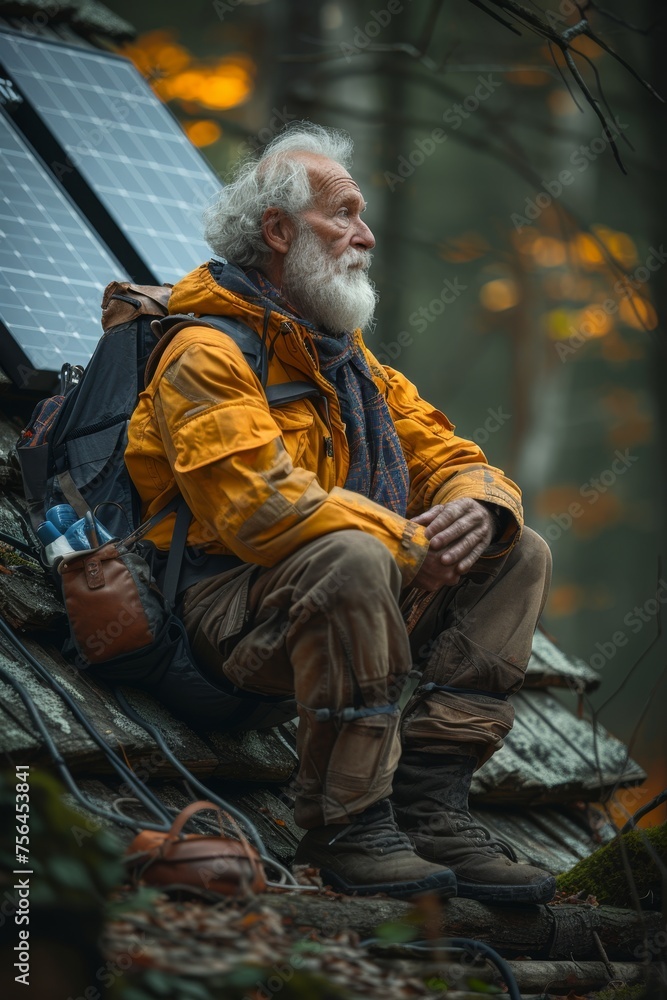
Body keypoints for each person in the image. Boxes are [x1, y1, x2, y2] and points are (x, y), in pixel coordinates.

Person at [125, 122, 554, 904]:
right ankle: (347, 824)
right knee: (356, 552)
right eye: (344, 214)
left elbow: (448, 455)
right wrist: (405, 539)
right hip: (225, 616)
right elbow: (259, 509)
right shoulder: (204, 353)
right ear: (278, 231)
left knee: (518, 549)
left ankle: (429, 809)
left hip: (345, 597)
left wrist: (479, 508)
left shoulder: (350, 363)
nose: (365, 235)